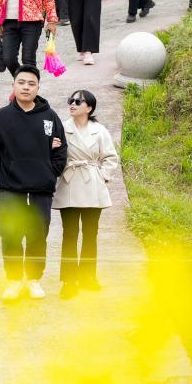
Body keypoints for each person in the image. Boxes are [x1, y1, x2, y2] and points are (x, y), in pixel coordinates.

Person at [0, 66, 68, 301]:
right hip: (11, 190)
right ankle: (13, 280)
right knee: (10, 235)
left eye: (31, 83)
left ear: (38, 88)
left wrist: (49, 173)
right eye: (21, 82)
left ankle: (33, 280)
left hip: (41, 190)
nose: (26, 87)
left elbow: (61, 150)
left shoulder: (49, 117)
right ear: (13, 86)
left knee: (37, 235)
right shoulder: (2, 118)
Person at [52, 90, 119, 298]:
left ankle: (88, 277)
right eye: (70, 101)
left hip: (92, 184)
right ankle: (69, 281)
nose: (72, 104)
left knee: (91, 234)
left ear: (89, 108)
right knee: (69, 234)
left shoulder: (99, 131)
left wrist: (102, 176)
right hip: (69, 182)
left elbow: (111, 157)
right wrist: (51, 148)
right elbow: (52, 155)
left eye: (77, 101)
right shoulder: (61, 128)